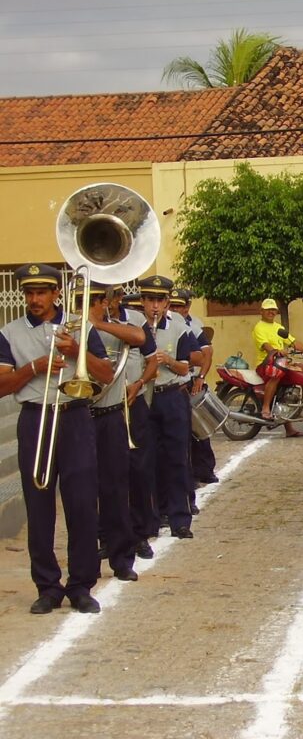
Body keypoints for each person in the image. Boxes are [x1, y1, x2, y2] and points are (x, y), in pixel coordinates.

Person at [0, 263, 113, 614]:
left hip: (75, 416)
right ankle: (47, 586)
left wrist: (75, 350)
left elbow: (106, 375)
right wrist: (35, 366)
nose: (34, 299)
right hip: (35, 416)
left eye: (41, 292)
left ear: (55, 294)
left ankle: (81, 585)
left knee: (81, 505)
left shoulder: (80, 326)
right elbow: (2, 386)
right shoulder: (8, 333)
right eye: (29, 293)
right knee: (39, 504)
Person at [78, 280, 150, 582]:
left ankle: (121, 558)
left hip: (110, 415)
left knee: (116, 488)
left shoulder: (119, 326)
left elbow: (140, 337)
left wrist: (99, 326)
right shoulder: (70, 327)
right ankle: (91, 551)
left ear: (107, 302)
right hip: (79, 415)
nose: (93, 305)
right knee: (82, 491)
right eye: (87, 300)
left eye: (98, 300)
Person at [140, 274, 201, 539]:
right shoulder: (135, 327)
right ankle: (152, 519)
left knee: (177, 458)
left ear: (167, 302)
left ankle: (180, 519)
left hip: (172, 395)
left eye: (160, 300)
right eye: (150, 300)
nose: (155, 306)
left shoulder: (178, 327)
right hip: (145, 397)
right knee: (148, 460)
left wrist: (167, 361)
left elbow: (187, 366)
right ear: (142, 301)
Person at [107, 285, 159, 559]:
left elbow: (152, 359)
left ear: (118, 299)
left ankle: (140, 534)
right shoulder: (87, 321)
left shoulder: (136, 320)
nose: (107, 303)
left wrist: (139, 383)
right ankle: (109, 534)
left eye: (111, 297)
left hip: (132, 399)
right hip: (102, 404)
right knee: (107, 476)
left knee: (138, 470)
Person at [170, 287, 218, 487]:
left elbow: (206, 353)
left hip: (188, 381)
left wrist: (200, 377)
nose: (176, 309)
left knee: (199, 430)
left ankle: (205, 470)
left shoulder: (193, 325)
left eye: (180, 306)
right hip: (173, 383)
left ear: (188, 307)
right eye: (173, 305)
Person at [252, 298, 303, 437]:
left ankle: (288, 427)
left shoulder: (278, 328)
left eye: (273, 310)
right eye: (268, 309)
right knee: (276, 374)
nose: (271, 312)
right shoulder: (259, 327)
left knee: (299, 371)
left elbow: (293, 341)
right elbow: (266, 346)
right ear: (262, 311)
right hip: (265, 363)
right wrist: (277, 351)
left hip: (281, 361)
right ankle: (265, 408)